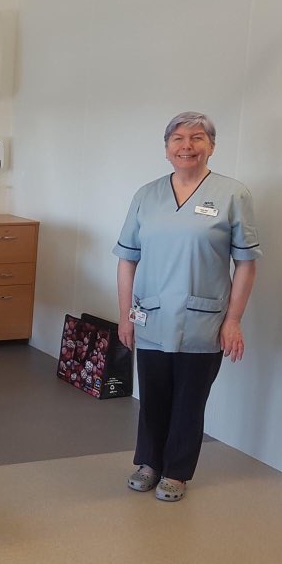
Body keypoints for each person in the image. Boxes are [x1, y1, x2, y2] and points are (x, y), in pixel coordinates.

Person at [114, 111, 260, 502]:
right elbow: (127, 259)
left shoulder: (233, 195)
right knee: (154, 395)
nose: (187, 146)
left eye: (197, 138)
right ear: (166, 149)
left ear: (211, 146)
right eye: (178, 139)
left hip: (204, 318)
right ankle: (149, 463)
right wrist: (125, 314)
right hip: (151, 314)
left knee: (190, 399)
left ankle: (177, 471)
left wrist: (233, 320)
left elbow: (246, 264)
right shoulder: (146, 195)